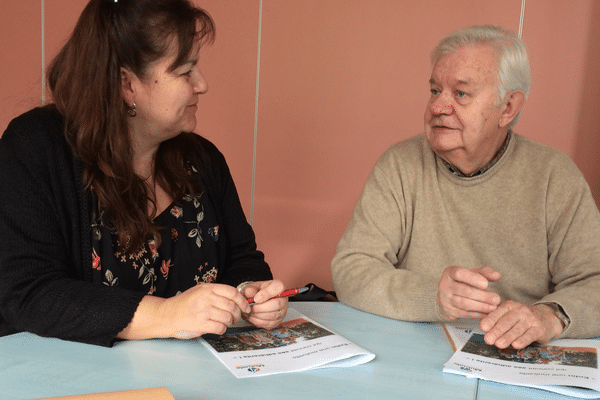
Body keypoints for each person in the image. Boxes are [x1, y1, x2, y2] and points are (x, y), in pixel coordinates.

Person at [0, 0, 288, 347]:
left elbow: (242, 260)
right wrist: (166, 315)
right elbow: (28, 293)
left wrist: (250, 292)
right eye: (185, 71)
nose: (202, 84)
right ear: (127, 84)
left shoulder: (204, 160)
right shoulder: (34, 148)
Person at [331, 25, 600, 350]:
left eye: (460, 93)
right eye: (434, 91)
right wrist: (433, 297)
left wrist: (546, 317)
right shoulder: (399, 164)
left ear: (509, 108)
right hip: (413, 352)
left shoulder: (554, 176)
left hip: (515, 361)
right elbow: (351, 268)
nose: (438, 107)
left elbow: (594, 281)